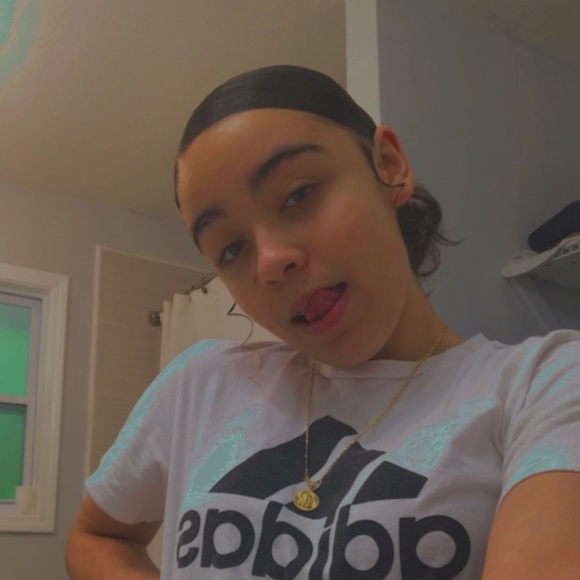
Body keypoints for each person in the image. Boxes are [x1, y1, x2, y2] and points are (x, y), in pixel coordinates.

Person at [66, 66, 580, 579]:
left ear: (389, 164)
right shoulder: (198, 385)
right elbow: (96, 538)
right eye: (231, 248)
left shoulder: (545, 386)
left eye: (298, 194)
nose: (270, 262)